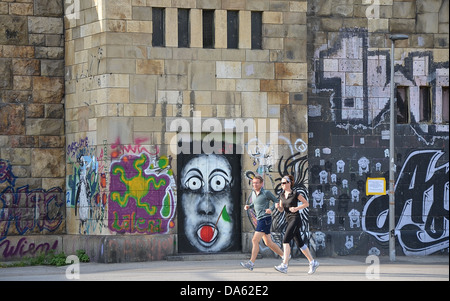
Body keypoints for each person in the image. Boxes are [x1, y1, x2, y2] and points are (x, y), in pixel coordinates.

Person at [274, 175, 319, 274]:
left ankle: (284, 265)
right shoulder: (281, 195)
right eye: (281, 183)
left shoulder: (295, 194)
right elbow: (282, 210)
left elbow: (306, 203)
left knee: (285, 240)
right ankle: (313, 262)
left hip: (296, 219)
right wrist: (278, 207)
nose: (282, 185)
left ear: (289, 183)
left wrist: (296, 208)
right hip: (288, 220)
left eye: (284, 183)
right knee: (300, 243)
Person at [240, 175, 284, 271]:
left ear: (261, 184)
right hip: (260, 219)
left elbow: (276, 201)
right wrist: (249, 206)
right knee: (268, 242)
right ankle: (284, 256)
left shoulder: (266, 193)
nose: (254, 184)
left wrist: (271, 209)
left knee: (255, 240)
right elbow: (255, 203)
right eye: (253, 183)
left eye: (257, 183)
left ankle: (251, 263)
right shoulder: (253, 192)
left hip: (265, 219)